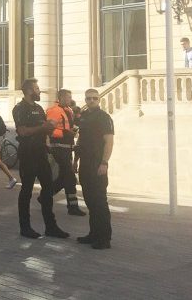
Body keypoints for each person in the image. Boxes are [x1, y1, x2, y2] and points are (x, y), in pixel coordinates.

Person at [12, 78, 68, 239]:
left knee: (48, 189)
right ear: (29, 91)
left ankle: (51, 226)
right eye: (37, 88)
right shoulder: (20, 109)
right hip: (28, 153)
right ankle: (25, 227)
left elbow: (43, 129)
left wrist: (50, 129)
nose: (39, 91)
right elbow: (22, 131)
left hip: (41, 152)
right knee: (27, 190)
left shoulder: (39, 108)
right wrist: (43, 127)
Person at [75, 89, 115, 249]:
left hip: (97, 164)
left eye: (94, 98)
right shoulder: (84, 116)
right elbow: (80, 141)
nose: (91, 101)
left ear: (99, 100)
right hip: (84, 164)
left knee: (100, 202)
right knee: (90, 201)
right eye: (88, 98)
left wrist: (104, 163)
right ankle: (93, 234)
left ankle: (104, 238)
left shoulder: (104, 118)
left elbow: (109, 142)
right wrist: (75, 161)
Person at [46, 89, 86, 216]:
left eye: (70, 96)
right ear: (61, 97)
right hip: (58, 147)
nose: (70, 99)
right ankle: (72, 207)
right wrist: (66, 133)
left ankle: (45, 197)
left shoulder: (68, 110)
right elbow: (49, 129)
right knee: (69, 177)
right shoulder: (54, 110)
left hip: (67, 147)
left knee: (64, 177)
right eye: (68, 97)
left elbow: (69, 126)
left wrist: (74, 128)